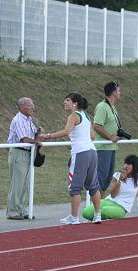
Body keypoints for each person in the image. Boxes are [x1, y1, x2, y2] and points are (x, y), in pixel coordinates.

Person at [43, 93, 101, 225]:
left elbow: (66, 132)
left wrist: (48, 136)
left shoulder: (73, 116)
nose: (64, 102)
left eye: (67, 100)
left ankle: (74, 217)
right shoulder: (86, 116)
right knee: (92, 185)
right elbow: (92, 136)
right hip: (92, 152)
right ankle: (98, 215)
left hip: (80, 153)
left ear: (75, 103)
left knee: (75, 187)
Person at [6, 97, 42, 220]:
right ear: (22, 107)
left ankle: (21, 209)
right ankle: (12, 211)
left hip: (27, 153)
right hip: (18, 152)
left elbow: (31, 137)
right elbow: (25, 139)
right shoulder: (18, 120)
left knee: (26, 183)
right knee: (17, 183)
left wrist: (37, 134)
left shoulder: (28, 120)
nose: (33, 107)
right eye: (30, 105)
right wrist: (36, 141)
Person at [82, 155, 138, 221]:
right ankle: (96, 220)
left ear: (135, 166)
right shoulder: (118, 175)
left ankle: (96, 220)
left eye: (128, 164)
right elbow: (113, 195)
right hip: (108, 200)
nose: (126, 166)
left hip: (121, 207)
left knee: (104, 211)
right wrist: (120, 179)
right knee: (86, 213)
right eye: (125, 163)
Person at [93, 81, 121, 196]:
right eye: (119, 91)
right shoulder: (102, 106)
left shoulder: (112, 107)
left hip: (111, 147)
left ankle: (101, 205)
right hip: (102, 148)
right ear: (113, 92)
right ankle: (97, 209)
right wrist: (110, 136)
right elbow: (96, 125)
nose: (120, 93)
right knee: (101, 178)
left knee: (107, 179)